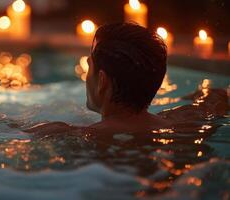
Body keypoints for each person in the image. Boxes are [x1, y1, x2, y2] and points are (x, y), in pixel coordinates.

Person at [25, 23, 229, 136]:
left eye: (90, 66)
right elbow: (218, 96)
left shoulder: (68, 135)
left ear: (102, 81)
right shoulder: (182, 122)